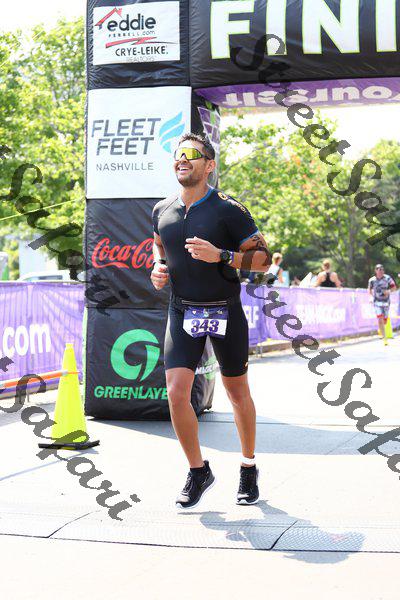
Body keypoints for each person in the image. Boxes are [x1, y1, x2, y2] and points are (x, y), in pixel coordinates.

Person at [151, 133, 271, 509]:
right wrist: (159, 267)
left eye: (191, 154)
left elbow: (263, 260)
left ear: (209, 165)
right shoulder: (161, 209)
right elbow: (159, 244)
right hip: (182, 309)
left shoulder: (228, 209)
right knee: (176, 393)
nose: (182, 159)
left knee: (237, 393)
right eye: (178, 154)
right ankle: (198, 470)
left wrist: (221, 255)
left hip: (224, 309)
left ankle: (248, 466)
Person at [368, 264, 397, 346]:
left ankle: (382, 330)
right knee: (380, 319)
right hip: (377, 302)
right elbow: (369, 290)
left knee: (384, 320)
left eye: (382, 269)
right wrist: (371, 297)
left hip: (386, 302)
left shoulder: (388, 278)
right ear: (375, 271)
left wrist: (388, 291)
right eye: (378, 269)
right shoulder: (372, 280)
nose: (380, 271)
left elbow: (394, 288)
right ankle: (384, 338)